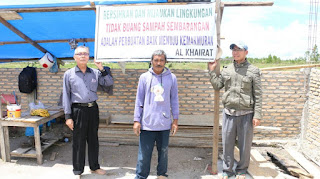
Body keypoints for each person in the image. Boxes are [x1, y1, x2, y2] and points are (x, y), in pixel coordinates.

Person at [208, 42, 262, 179]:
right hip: (228, 114)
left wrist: (257, 115)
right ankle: (227, 171)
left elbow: (258, 95)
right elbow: (217, 85)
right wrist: (212, 71)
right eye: (233, 49)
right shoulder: (227, 69)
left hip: (246, 114)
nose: (235, 52)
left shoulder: (253, 71)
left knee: (245, 146)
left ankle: (242, 170)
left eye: (239, 50)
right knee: (227, 144)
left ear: (246, 52)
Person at [62, 46, 113, 178]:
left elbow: (108, 82)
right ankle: (78, 170)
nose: (83, 56)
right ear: (75, 57)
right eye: (79, 54)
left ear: (89, 56)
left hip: (93, 109)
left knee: (93, 139)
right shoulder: (69, 74)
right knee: (79, 140)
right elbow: (66, 96)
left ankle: (94, 167)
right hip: (78, 110)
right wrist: (68, 116)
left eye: (85, 53)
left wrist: (101, 68)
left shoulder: (95, 73)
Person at [133, 50, 179, 179]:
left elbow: (174, 100)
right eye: (156, 60)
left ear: (165, 62)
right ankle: (141, 176)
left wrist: (175, 120)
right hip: (147, 123)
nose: (159, 63)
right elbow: (139, 100)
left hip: (164, 123)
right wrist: (137, 120)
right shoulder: (144, 77)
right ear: (151, 61)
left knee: (163, 153)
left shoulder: (172, 78)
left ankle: (162, 175)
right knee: (144, 155)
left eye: (161, 60)